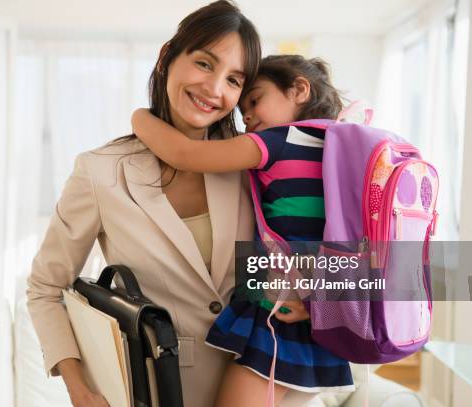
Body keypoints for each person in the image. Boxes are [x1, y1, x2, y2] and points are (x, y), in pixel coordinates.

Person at [26, 2, 262, 406]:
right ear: (167, 55)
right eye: (205, 64)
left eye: (234, 80)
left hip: (259, 386)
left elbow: (305, 259)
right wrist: (79, 388)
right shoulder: (101, 171)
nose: (215, 90)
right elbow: (46, 288)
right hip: (158, 389)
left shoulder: (252, 168)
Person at [130, 54, 355, 406]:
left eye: (255, 100)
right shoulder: (339, 148)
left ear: (298, 89)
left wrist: (139, 117)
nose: (247, 116)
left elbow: (185, 155)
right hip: (321, 315)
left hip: (278, 319)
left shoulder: (277, 142)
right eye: (242, 110)